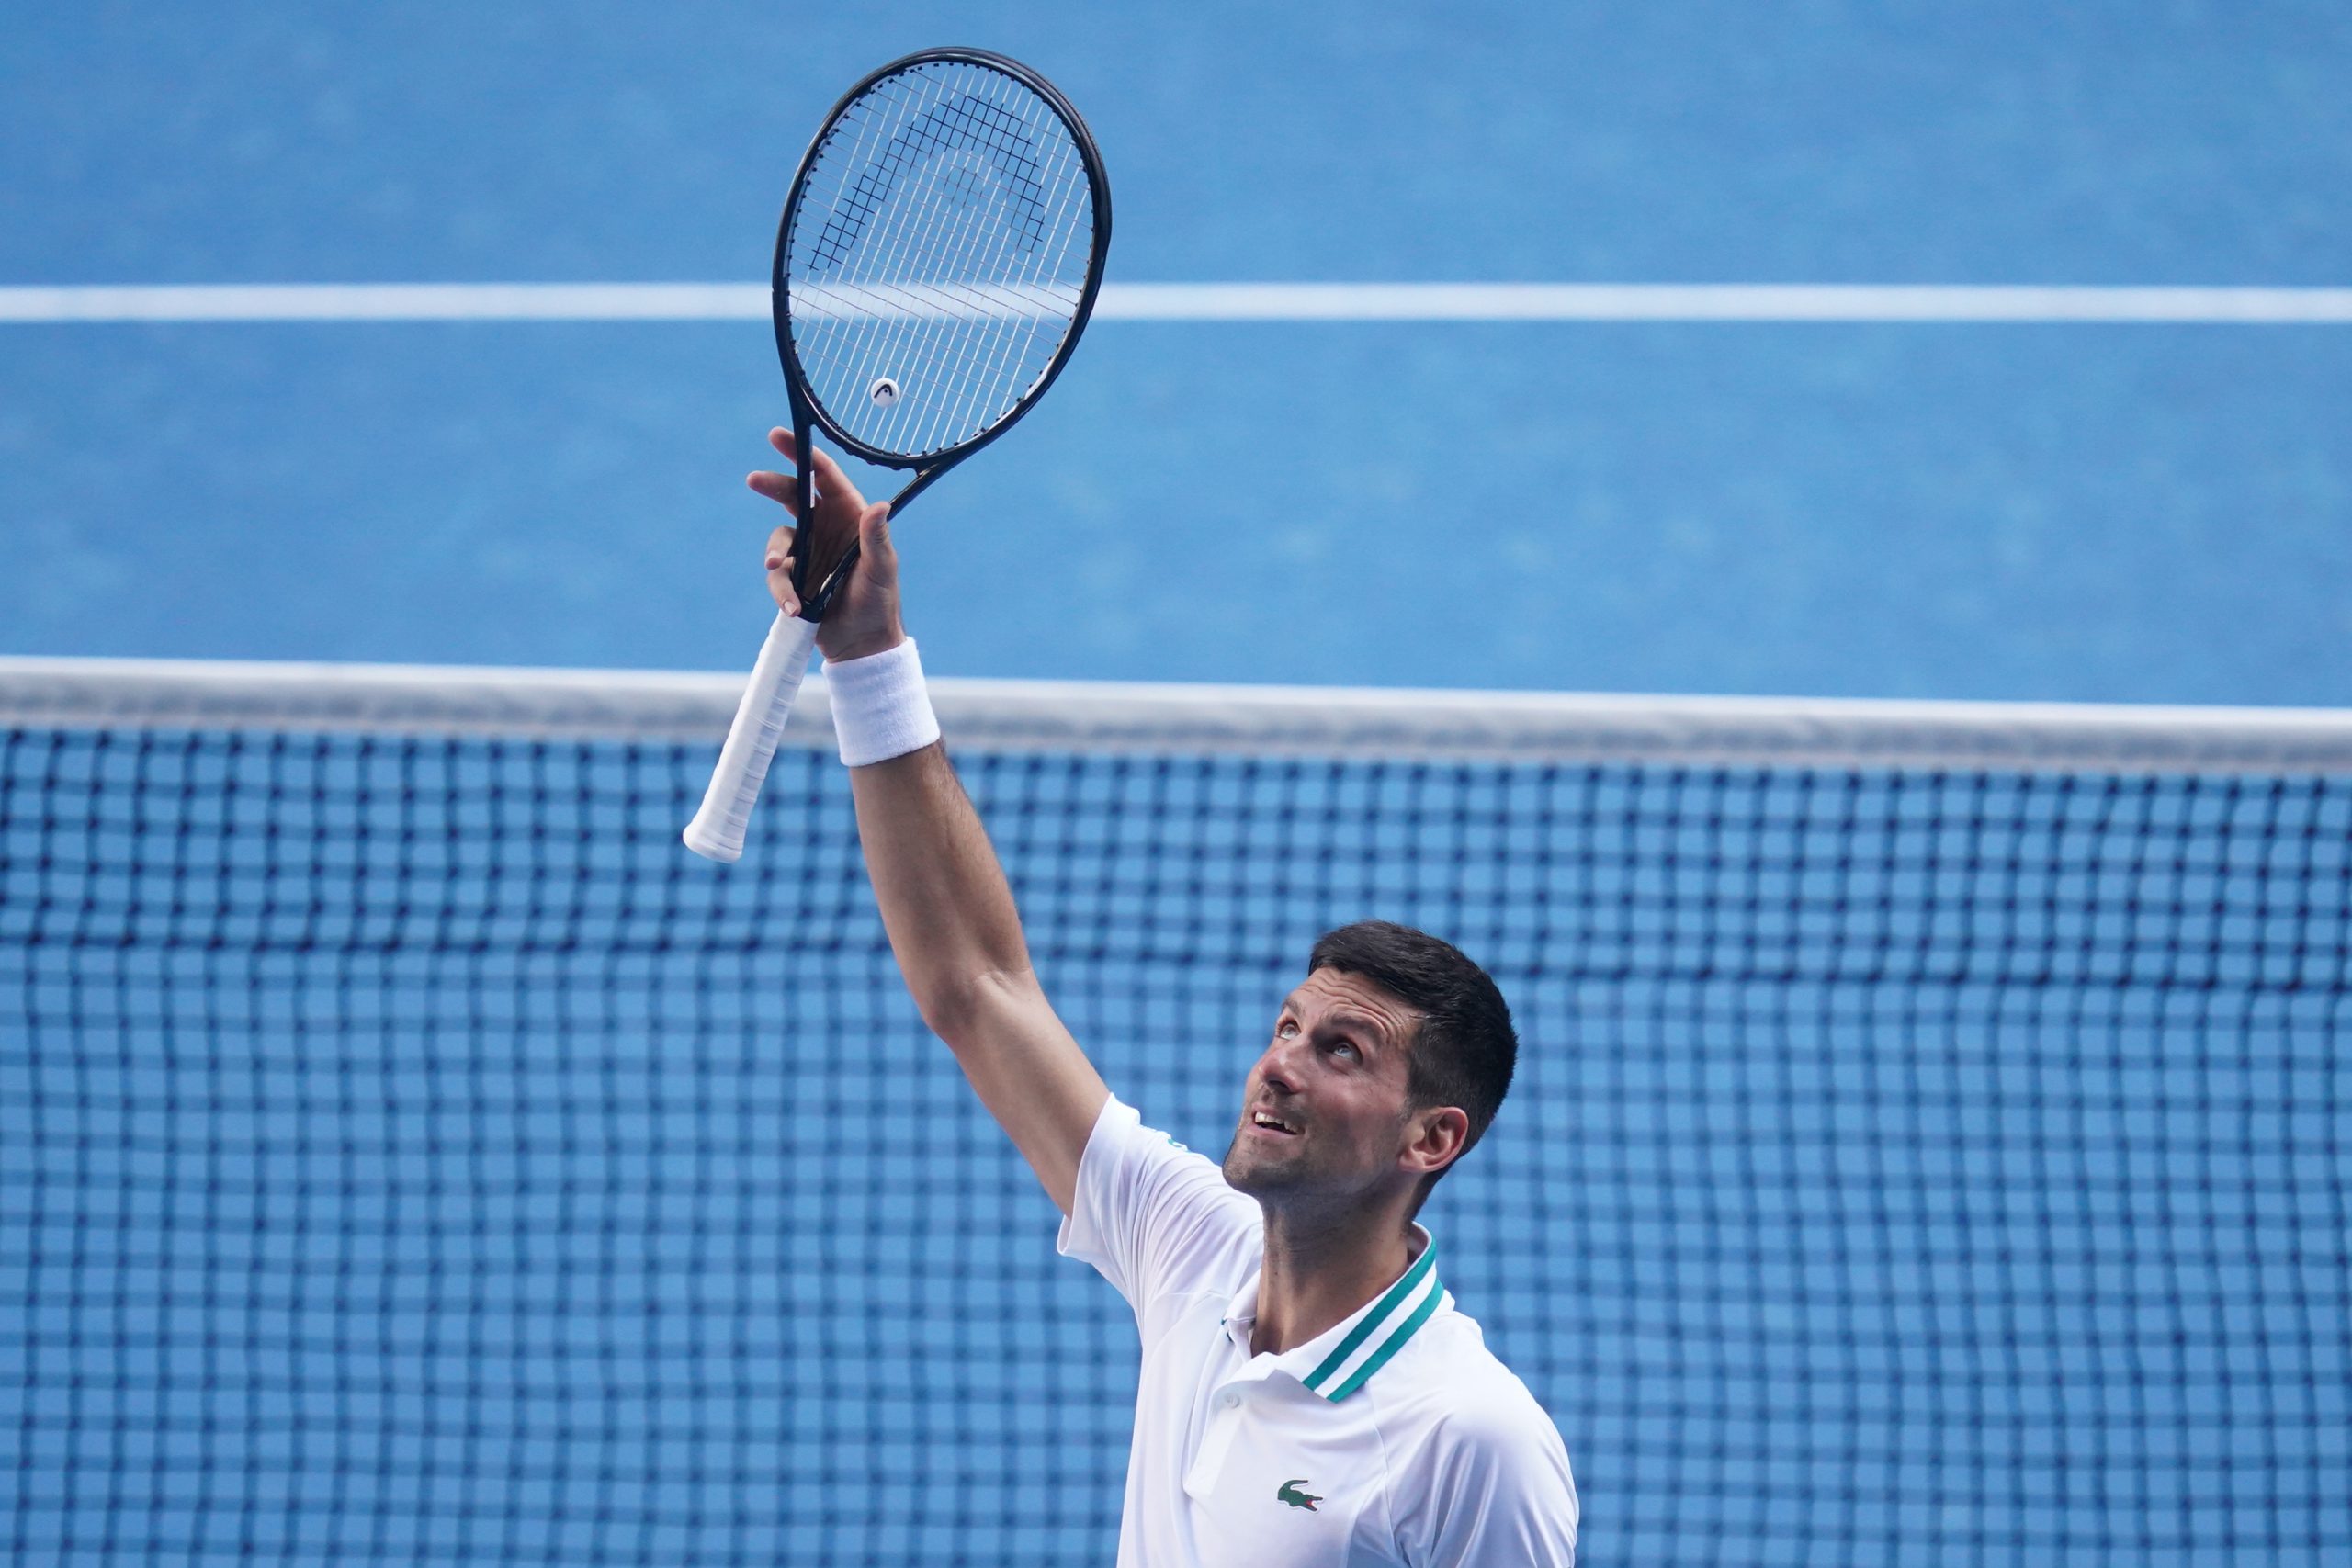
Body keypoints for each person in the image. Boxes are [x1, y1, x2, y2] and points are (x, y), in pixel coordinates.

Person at [749, 429, 1579, 1566]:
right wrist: (867, 653)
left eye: (1344, 1052)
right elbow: (978, 989)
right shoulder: (1195, 1250)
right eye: (1289, 1027)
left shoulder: (1468, 1439)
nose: (1278, 1064)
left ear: (1431, 1137)